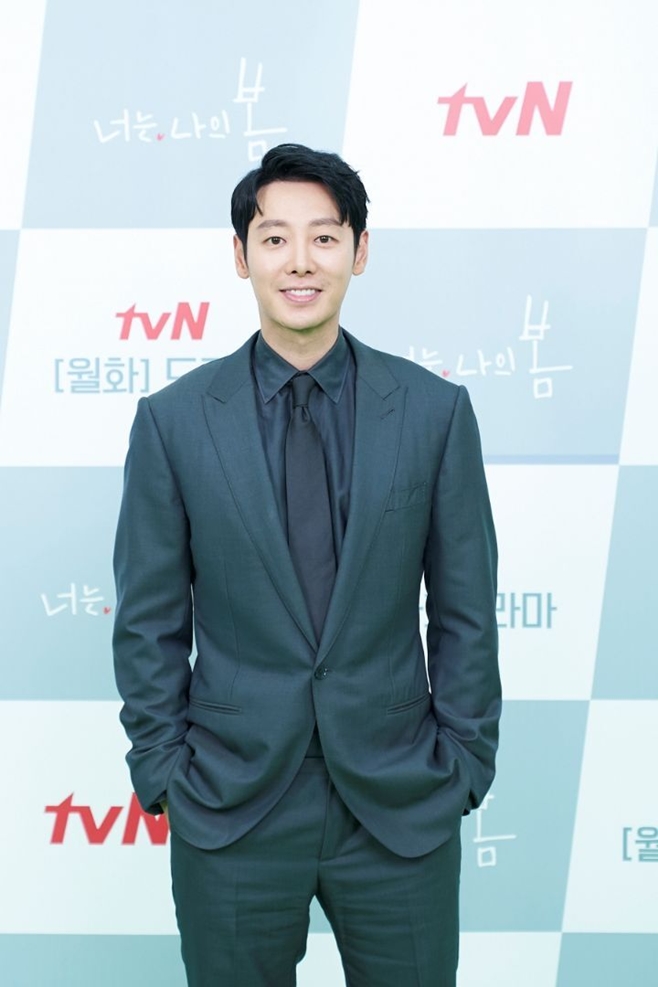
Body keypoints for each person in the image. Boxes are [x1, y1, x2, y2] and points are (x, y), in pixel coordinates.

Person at [113, 143, 500, 987]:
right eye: (275, 237)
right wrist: (166, 770)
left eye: (324, 237)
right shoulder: (175, 422)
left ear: (359, 252)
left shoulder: (433, 412)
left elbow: (466, 608)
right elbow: (147, 620)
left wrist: (463, 764)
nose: (299, 261)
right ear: (241, 255)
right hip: (231, 801)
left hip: (400, 799)